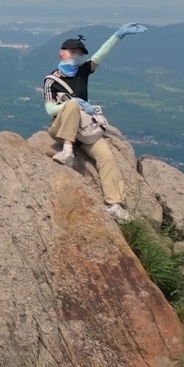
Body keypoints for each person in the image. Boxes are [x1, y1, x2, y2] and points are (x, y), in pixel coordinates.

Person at [44, 24, 147, 222]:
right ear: (61, 54)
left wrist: (118, 36)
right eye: (72, 52)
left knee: (106, 157)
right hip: (62, 127)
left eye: (78, 54)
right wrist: (72, 104)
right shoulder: (51, 80)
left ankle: (114, 205)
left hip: (84, 129)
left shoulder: (83, 72)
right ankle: (67, 152)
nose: (75, 56)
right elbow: (50, 110)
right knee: (72, 106)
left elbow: (102, 53)